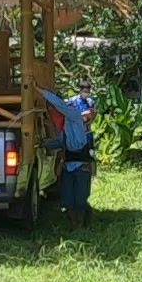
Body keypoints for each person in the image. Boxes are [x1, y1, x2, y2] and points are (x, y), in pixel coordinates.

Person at [43, 88, 95, 228]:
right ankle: (74, 225)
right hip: (68, 165)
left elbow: (59, 105)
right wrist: (41, 144)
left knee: (80, 200)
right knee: (67, 200)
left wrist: (41, 91)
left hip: (81, 165)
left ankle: (84, 224)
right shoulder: (63, 125)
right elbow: (60, 143)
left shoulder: (73, 115)